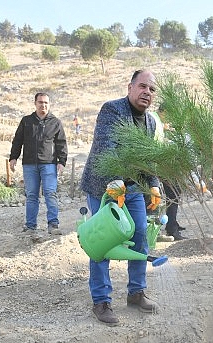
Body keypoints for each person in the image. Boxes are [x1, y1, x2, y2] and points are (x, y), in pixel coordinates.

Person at [80, 69, 161, 325]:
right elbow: (107, 148)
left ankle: (136, 292)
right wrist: (115, 185)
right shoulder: (112, 110)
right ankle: (101, 300)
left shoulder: (149, 122)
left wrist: (154, 184)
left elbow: (148, 156)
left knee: (139, 235)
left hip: (133, 187)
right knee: (101, 241)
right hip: (105, 186)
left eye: (152, 89)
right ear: (130, 87)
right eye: (143, 86)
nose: (147, 92)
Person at [9, 93, 68, 235]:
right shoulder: (26, 121)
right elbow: (18, 140)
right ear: (35, 103)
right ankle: (30, 226)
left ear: (49, 104)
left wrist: (62, 161)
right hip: (29, 164)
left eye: (46, 103)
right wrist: (13, 157)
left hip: (49, 164)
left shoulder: (55, 122)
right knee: (31, 195)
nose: (43, 105)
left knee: (50, 193)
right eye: (41, 102)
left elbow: (61, 143)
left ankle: (53, 225)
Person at [151, 105, 187, 241]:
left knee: (173, 191)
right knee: (173, 192)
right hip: (155, 164)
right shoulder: (153, 120)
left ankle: (172, 224)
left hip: (157, 163)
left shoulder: (155, 120)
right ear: (164, 112)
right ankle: (171, 229)